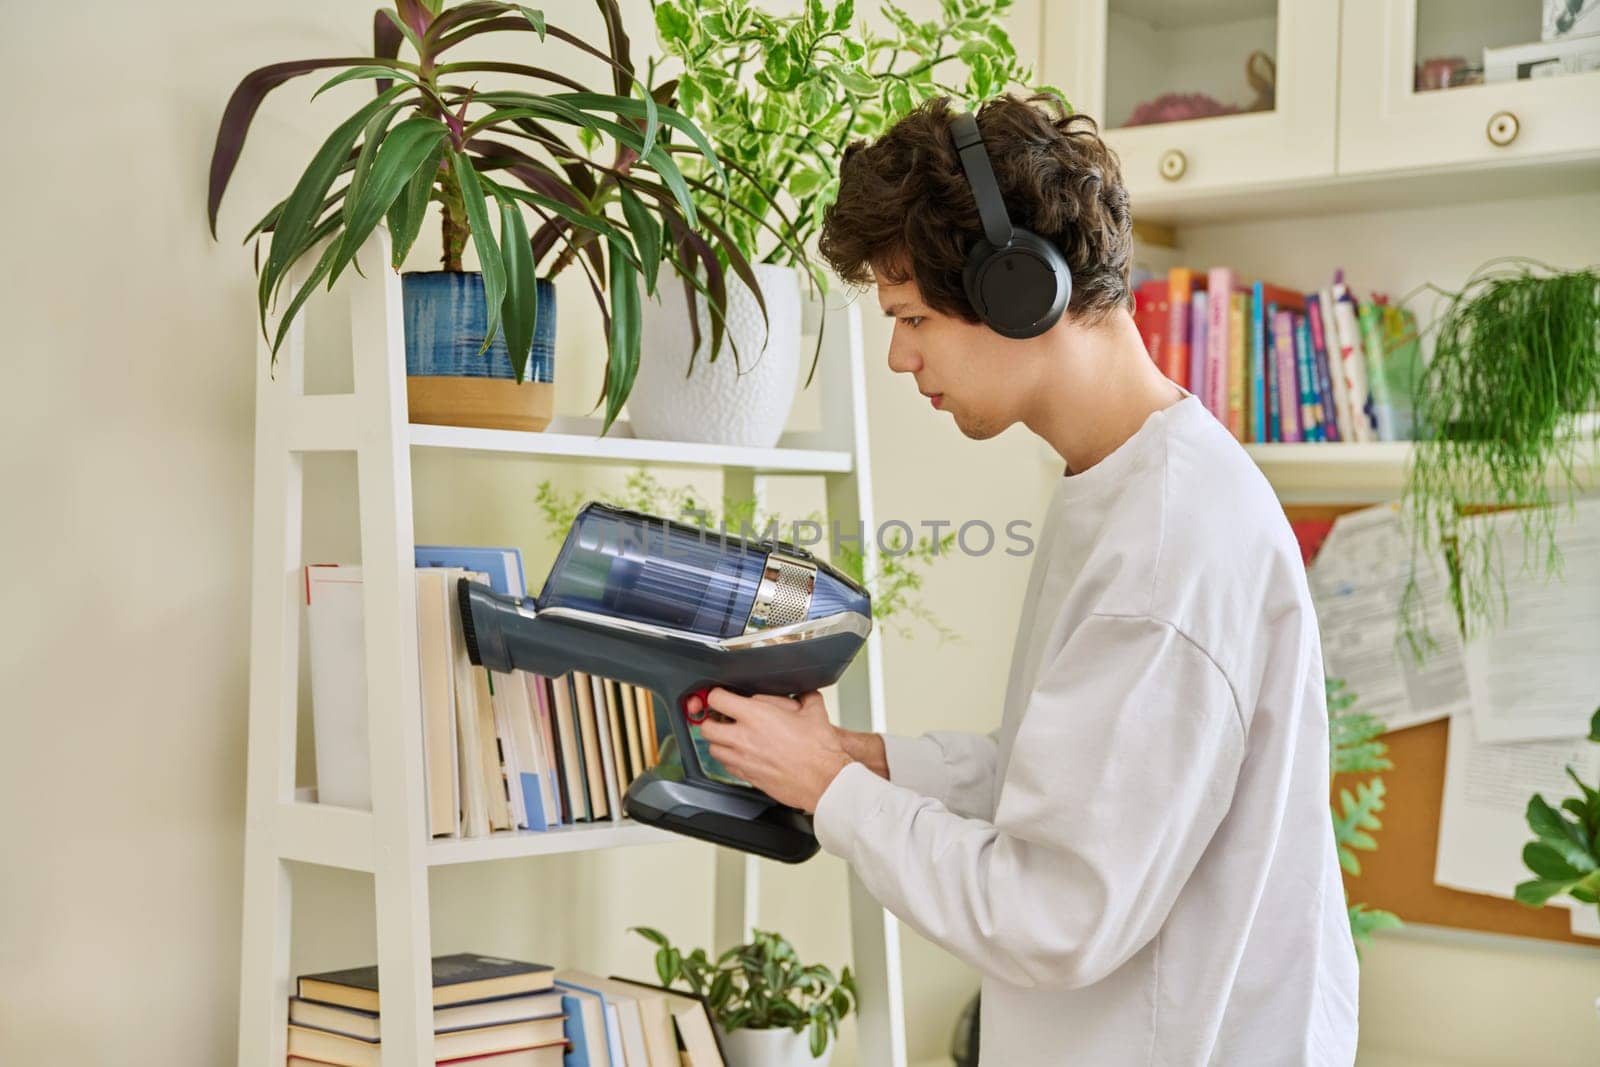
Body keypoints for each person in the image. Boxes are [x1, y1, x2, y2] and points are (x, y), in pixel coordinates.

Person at [686, 93, 1359, 1065]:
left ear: (1017, 291)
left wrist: (831, 785)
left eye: (912, 315)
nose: (896, 354)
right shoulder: (1124, 483)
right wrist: (861, 755)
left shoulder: (1168, 545)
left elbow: (1055, 912)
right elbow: (1062, 777)